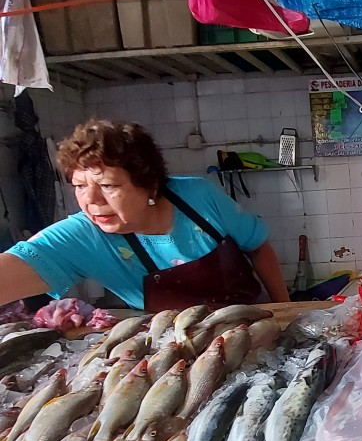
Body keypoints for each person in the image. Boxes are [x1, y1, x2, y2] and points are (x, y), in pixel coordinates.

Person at [0, 119, 290, 313]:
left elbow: (257, 246)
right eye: (79, 186)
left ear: (149, 184)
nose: (92, 201)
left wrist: (284, 310)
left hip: (254, 327)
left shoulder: (199, 197)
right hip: (177, 352)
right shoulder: (83, 236)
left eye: (108, 186)